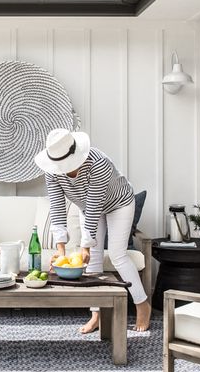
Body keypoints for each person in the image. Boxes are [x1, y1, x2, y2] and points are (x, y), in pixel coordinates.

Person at [34, 128, 151, 333]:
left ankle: (142, 305)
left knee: (117, 255)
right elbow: (57, 207)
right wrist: (60, 250)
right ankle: (96, 315)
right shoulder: (51, 170)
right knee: (93, 263)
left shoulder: (98, 163)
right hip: (86, 208)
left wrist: (85, 246)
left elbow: (94, 205)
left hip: (119, 203)